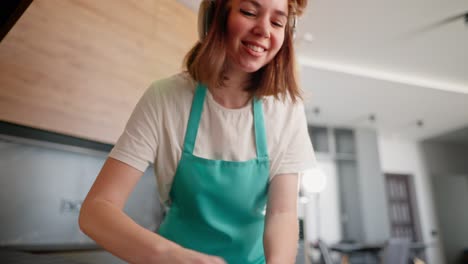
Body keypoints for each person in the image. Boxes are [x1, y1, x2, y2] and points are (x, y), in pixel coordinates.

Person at [79, 0, 316, 263]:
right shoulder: (165, 98)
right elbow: (96, 211)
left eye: (277, 22)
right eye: (249, 12)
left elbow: (282, 212)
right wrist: (172, 256)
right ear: (215, 16)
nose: (264, 30)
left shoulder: (287, 110)